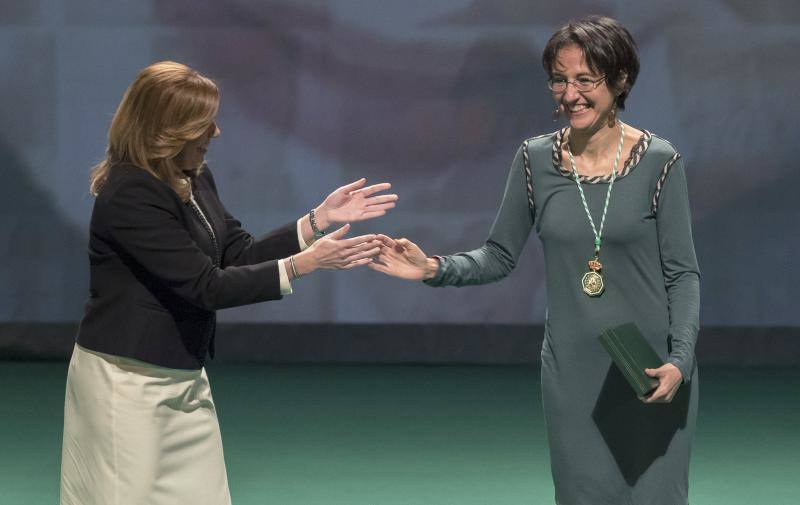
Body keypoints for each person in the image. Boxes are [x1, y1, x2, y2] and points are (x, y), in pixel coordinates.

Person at [370, 16, 699, 505]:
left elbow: (682, 273)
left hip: (650, 370)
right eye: (560, 80)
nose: (570, 94)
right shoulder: (534, 160)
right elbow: (500, 255)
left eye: (586, 80)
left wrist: (680, 359)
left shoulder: (660, 162)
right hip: (571, 373)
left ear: (621, 80)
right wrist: (434, 268)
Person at [59, 61, 398, 505]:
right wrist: (304, 265)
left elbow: (235, 252)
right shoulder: (130, 194)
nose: (215, 133)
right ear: (166, 130)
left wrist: (316, 222)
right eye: (203, 124)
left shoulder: (194, 177)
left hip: (183, 381)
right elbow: (207, 286)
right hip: (127, 387)